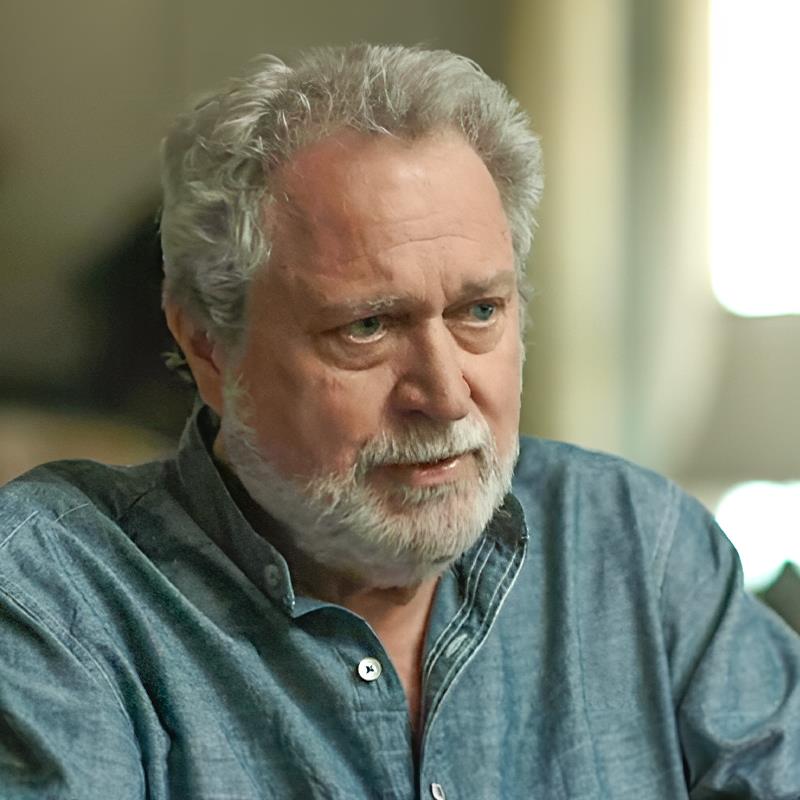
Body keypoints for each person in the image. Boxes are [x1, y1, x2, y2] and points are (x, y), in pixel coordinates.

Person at [1, 44, 798, 800]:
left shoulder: (638, 547)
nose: (445, 396)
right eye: (368, 327)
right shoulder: (57, 595)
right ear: (208, 344)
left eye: (479, 311)